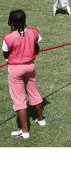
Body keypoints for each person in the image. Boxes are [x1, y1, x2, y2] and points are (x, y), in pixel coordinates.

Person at [2, 10, 45, 139]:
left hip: (15, 69)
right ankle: (41, 120)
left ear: (12, 21)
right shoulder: (34, 32)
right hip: (30, 66)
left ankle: (25, 132)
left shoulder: (8, 37)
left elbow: (5, 54)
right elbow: (36, 48)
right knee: (34, 93)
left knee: (19, 100)